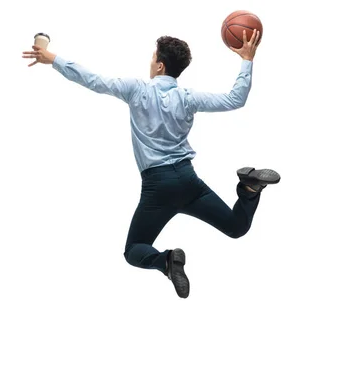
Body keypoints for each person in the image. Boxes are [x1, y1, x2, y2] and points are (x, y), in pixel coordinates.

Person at [22, 29, 280, 299]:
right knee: (237, 227)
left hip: (158, 188)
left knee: (135, 249)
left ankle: (166, 261)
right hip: (188, 181)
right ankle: (249, 190)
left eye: (152, 57)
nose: (150, 62)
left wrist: (52, 58)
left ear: (160, 65)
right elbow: (234, 99)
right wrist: (247, 59)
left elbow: (93, 80)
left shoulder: (137, 90)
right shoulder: (188, 98)